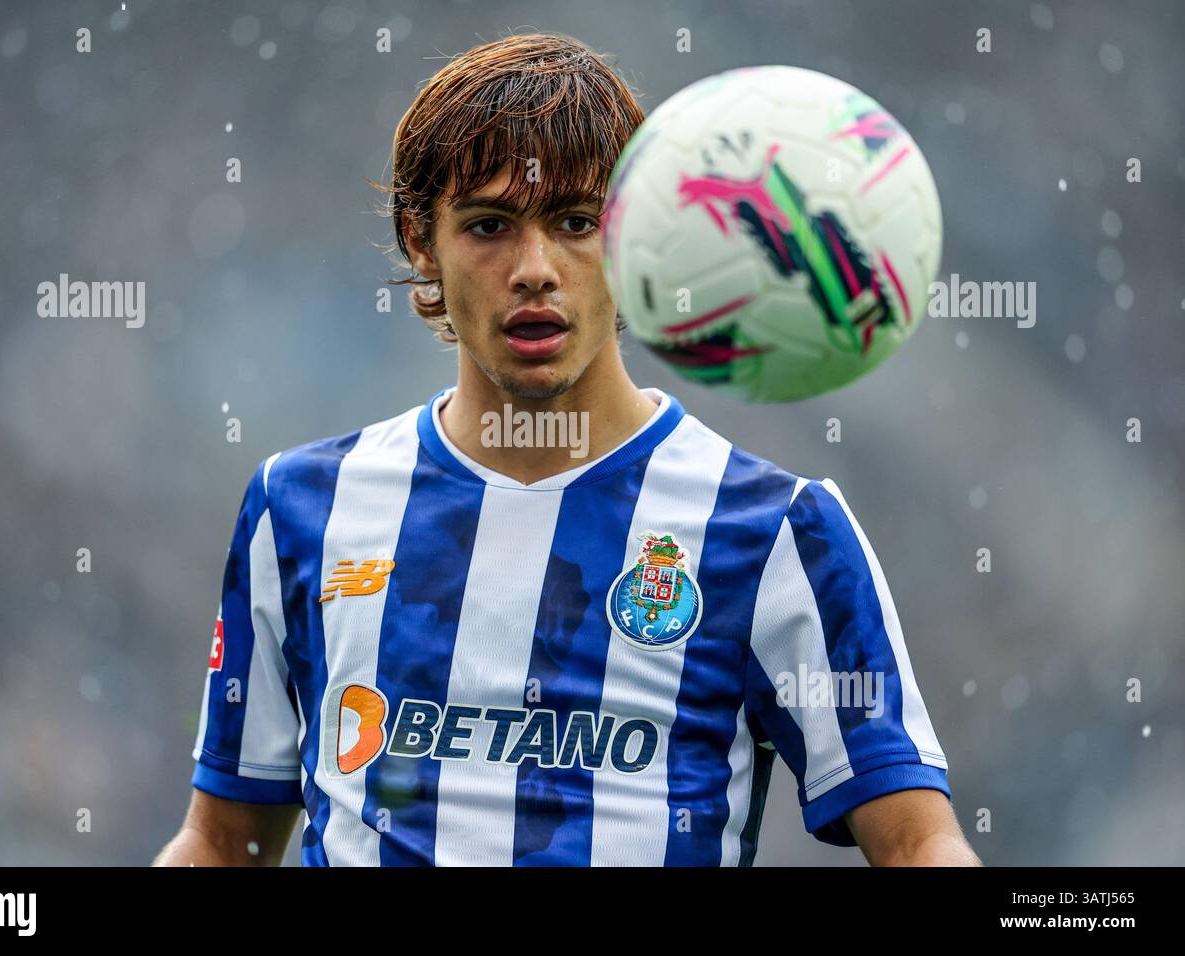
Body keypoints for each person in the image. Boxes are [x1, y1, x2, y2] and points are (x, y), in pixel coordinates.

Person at [154, 32, 979, 867]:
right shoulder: (301, 507)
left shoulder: (776, 531)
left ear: (633, 236)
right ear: (419, 241)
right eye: (489, 225)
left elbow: (917, 845)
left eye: (577, 222)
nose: (535, 269)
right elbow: (221, 844)